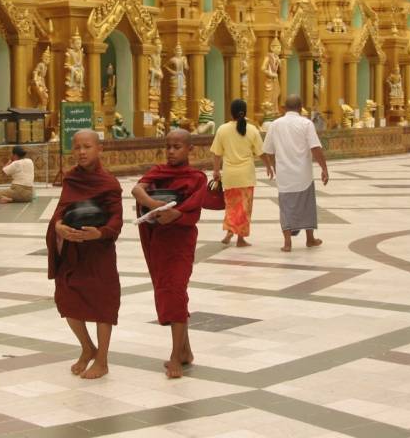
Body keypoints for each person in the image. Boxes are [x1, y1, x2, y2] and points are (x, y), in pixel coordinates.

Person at [46, 130, 123, 379]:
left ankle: (102, 360)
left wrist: (98, 233)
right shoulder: (71, 178)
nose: (81, 152)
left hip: (98, 252)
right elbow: (61, 209)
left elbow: (116, 221)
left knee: (102, 304)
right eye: (77, 147)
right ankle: (88, 347)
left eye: (87, 147)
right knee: (66, 300)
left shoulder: (109, 183)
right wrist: (58, 226)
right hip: (73, 250)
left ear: (99, 149)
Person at [132, 129, 207, 379]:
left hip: (181, 242)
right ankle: (186, 351)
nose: (172, 152)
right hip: (159, 241)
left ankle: (176, 355)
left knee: (176, 291)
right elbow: (137, 190)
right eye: (168, 147)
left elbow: (193, 209)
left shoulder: (197, 177)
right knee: (167, 291)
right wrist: (157, 206)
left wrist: (176, 214)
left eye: (177, 147)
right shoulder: (158, 172)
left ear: (189, 149)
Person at [262, 95, 329, 252]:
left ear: (284, 108)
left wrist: (274, 166)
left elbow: (269, 151)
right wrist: (324, 168)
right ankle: (310, 238)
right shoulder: (306, 124)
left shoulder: (274, 125)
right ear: (301, 108)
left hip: (284, 174)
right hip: (303, 174)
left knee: (286, 207)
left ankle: (287, 243)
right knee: (307, 205)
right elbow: (315, 148)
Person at [211, 99, 274, 247]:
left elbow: (216, 154)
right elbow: (261, 152)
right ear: (245, 112)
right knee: (244, 208)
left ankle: (229, 231)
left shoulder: (222, 129)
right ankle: (240, 239)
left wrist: (215, 170)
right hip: (246, 175)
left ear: (230, 112)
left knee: (231, 205)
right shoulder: (252, 130)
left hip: (229, 175)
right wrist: (268, 166)